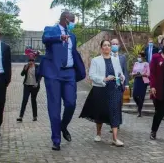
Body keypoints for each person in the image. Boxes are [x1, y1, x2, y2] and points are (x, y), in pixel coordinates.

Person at [40, 11, 86, 151]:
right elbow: (45, 39)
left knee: (71, 103)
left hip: (69, 73)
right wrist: (60, 37)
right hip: (53, 73)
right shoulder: (50, 30)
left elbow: (72, 52)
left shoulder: (73, 36)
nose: (73, 23)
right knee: (54, 108)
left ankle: (63, 126)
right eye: (72, 20)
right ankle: (56, 139)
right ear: (66, 19)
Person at [79, 40, 125, 147]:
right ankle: (98, 133)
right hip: (101, 89)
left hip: (114, 88)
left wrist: (122, 77)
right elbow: (91, 75)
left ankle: (115, 138)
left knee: (115, 111)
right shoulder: (96, 60)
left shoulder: (115, 60)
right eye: (105, 45)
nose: (108, 47)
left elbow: (120, 73)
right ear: (101, 48)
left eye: (109, 45)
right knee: (101, 111)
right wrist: (103, 79)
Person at [17, 49, 42, 122]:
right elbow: (22, 75)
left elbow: (40, 76)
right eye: (29, 60)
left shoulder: (37, 67)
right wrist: (25, 69)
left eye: (32, 60)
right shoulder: (26, 66)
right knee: (24, 100)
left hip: (35, 86)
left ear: (34, 60)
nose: (31, 62)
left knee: (33, 100)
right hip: (27, 86)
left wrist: (37, 83)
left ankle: (35, 116)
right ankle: (20, 116)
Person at [131, 52, 150, 117]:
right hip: (137, 80)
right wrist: (135, 74)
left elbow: (148, 73)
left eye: (140, 57)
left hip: (143, 81)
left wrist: (142, 74)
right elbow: (133, 72)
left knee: (141, 96)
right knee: (134, 95)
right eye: (138, 57)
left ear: (143, 57)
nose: (138, 58)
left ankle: (139, 111)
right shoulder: (136, 63)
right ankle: (139, 105)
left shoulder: (146, 64)